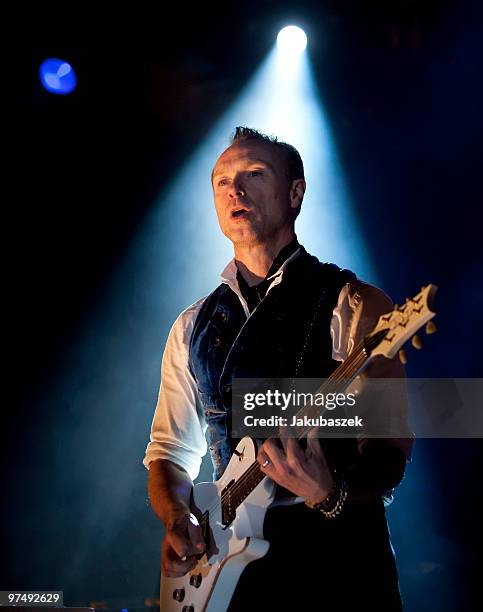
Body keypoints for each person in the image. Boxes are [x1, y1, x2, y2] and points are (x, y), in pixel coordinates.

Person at [144, 127, 414, 610]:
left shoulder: (356, 306)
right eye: (221, 180)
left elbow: (390, 448)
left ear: (295, 193)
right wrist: (176, 517)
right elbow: (169, 452)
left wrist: (332, 491)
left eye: (254, 173)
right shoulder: (190, 327)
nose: (234, 188)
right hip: (230, 578)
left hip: (341, 570)